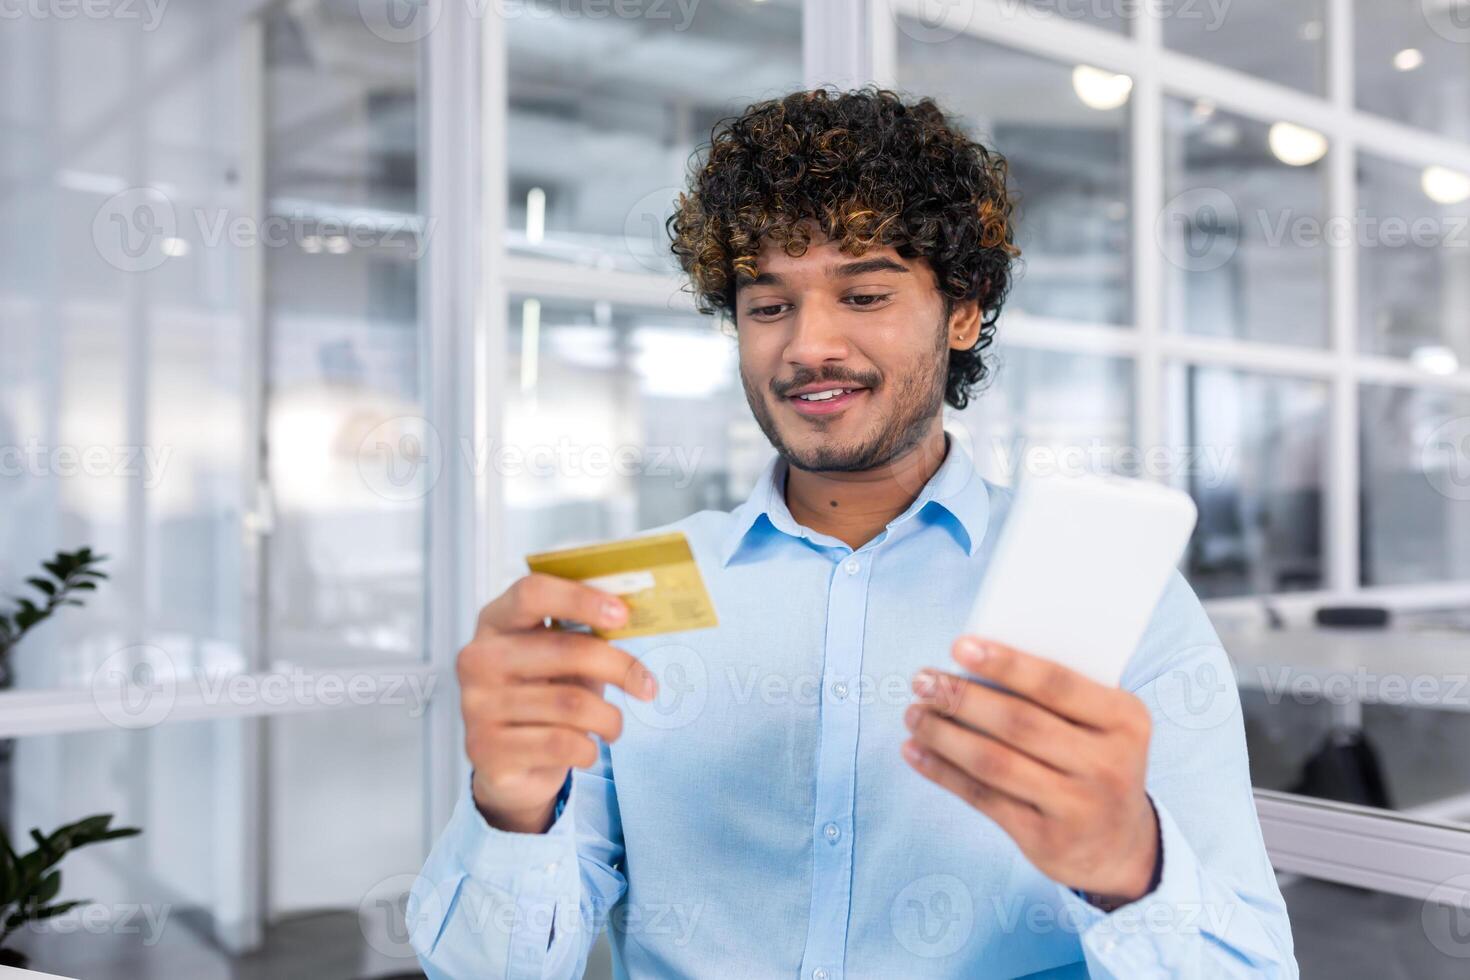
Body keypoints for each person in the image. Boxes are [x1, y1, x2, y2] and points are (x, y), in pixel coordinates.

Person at [409, 88, 1297, 978]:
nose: (807, 346)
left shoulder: (1117, 601)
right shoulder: (635, 595)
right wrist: (510, 808)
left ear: (963, 311)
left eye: (864, 293)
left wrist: (1126, 867)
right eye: (768, 306)